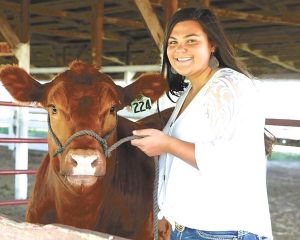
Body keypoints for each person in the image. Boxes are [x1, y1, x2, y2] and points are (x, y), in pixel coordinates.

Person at [131, 7, 273, 240]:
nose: (180, 49)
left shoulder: (228, 85)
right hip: (188, 228)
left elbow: (230, 159)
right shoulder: (191, 91)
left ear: (212, 45)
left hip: (221, 231)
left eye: (191, 40)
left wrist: (167, 144)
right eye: (173, 42)